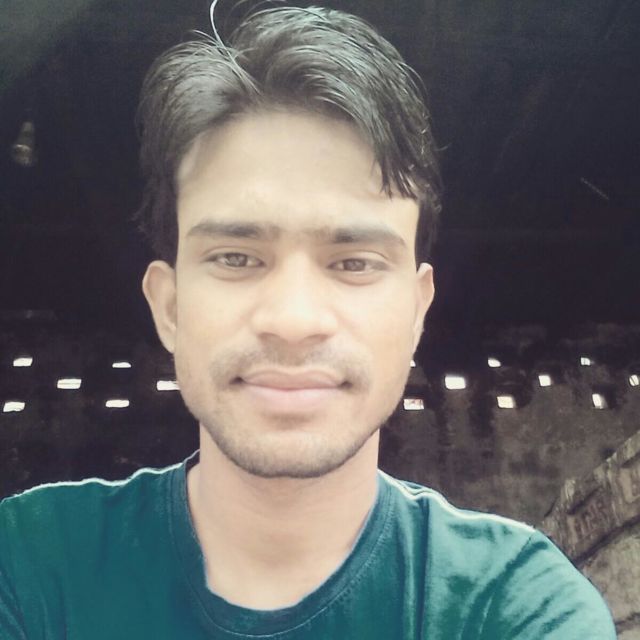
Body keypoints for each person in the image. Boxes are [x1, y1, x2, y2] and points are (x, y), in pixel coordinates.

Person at [0, 4, 616, 639]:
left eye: (353, 263)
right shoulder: (27, 568)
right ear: (170, 306)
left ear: (416, 312)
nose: (293, 321)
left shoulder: (516, 606)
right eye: (236, 258)